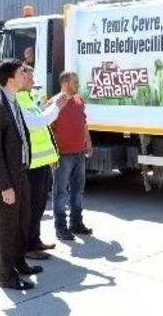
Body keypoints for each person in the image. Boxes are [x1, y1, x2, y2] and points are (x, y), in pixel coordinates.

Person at [0, 59, 42, 290]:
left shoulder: (13, 100)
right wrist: (4, 187)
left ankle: (19, 263)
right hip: (7, 179)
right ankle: (6, 276)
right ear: (11, 79)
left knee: (22, 222)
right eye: (22, 72)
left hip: (21, 172)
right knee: (8, 227)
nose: (26, 75)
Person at [16, 65, 71, 260]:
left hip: (40, 162)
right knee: (31, 206)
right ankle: (28, 247)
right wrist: (56, 107)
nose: (33, 81)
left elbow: (39, 118)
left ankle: (35, 240)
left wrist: (50, 106)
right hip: (31, 165)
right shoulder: (18, 100)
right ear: (19, 79)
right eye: (29, 78)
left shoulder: (27, 98)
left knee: (38, 205)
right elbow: (37, 123)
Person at [51, 71, 93, 241]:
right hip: (63, 155)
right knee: (60, 193)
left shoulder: (79, 100)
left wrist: (88, 143)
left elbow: (83, 124)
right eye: (75, 82)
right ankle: (60, 227)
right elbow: (49, 131)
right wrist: (53, 155)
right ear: (65, 83)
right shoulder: (54, 103)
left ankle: (76, 224)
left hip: (79, 153)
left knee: (78, 191)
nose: (77, 84)